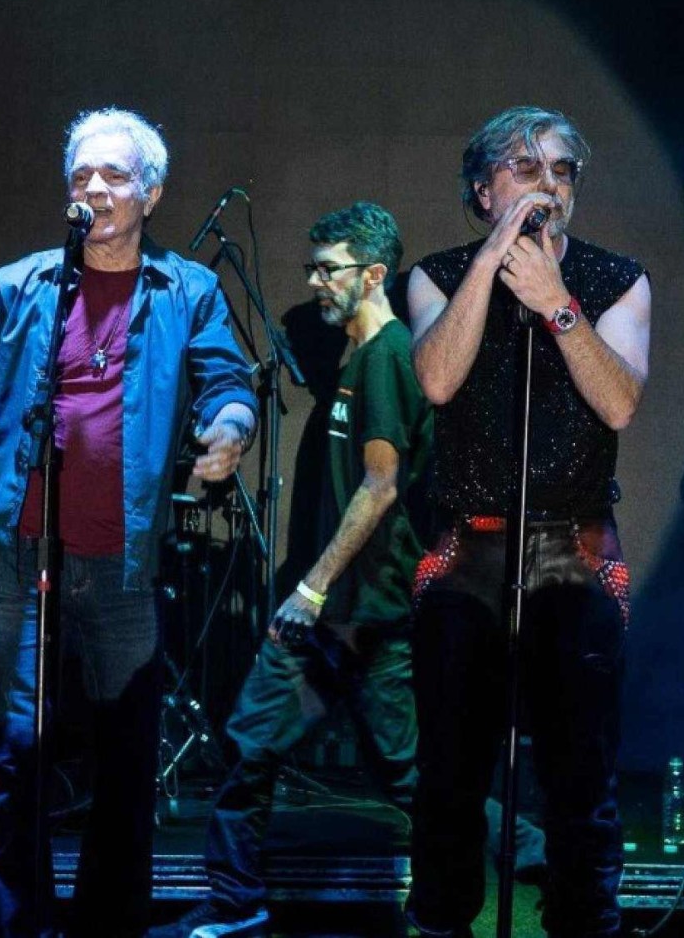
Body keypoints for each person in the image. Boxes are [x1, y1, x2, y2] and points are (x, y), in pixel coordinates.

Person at [0, 107, 258, 938]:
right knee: (17, 758)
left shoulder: (188, 290)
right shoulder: (23, 284)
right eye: (80, 175)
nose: (94, 188)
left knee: (125, 767)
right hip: (20, 560)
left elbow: (228, 381)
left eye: (114, 175)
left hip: (123, 565)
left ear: (151, 193)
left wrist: (230, 431)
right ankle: (13, 927)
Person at [404, 106, 651, 938]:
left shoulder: (617, 279)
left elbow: (619, 404)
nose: (549, 183)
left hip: (575, 546)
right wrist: (492, 267)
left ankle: (585, 923)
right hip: (466, 546)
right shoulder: (437, 276)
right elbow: (437, 381)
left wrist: (557, 304)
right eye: (525, 167)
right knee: (449, 775)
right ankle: (443, 922)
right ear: (483, 191)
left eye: (562, 170)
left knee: (581, 777)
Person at [164, 202, 432, 938]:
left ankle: (533, 861)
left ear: (373, 275)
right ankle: (235, 902)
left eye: (328, 268)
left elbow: (381, 488)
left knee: (408, 774)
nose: (314, 281)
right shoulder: (354, 361)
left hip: (363, 613)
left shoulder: (388, 359)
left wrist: (311, 589)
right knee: (253, 742)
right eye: (312, 267)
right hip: (329, 614)